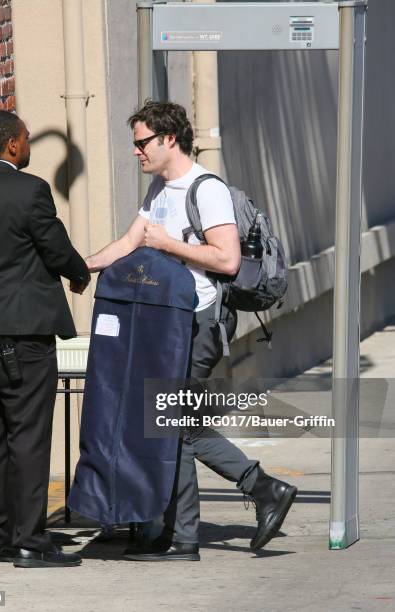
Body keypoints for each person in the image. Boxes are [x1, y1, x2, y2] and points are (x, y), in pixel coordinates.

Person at [85, 100, 297, 561]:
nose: (137, 152)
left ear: (169, 139)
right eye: (135, 144)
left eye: (142, 143)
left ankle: (183, 537)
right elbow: (127, 243)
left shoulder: (207, 190)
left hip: (197, 324)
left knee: (172, 426)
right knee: (180, 425)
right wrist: (82, 266)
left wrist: (169, 245)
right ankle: (263, 490)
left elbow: (228, 259)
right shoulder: (160, 190)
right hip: (165, 326)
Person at [0, 110, 90, 568]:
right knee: (30, 437)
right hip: (24, 334)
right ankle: (30, 542)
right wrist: (78, 274)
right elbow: (54, 247)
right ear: (13, 146)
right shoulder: (30, 190)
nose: (29, 144)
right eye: (27, 138)